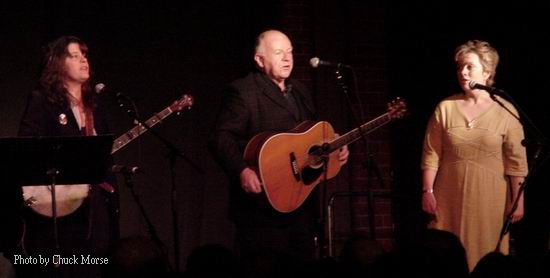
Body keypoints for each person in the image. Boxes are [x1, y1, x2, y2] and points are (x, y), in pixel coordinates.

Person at [209, 30, 349, 275]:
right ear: (260, 60)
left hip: (301, 203)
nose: (287, 58)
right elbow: (220, 138)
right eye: (278, 53)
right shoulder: (244, 91)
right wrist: (241, 170)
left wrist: (336, 144)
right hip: (261, 208)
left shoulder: (301, 92)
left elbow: (314, 135)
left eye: (290, 52)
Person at [13, 35, 118, 277]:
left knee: (96, 265)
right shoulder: (42, 101)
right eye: (75, 55)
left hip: (96, 205)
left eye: (85, 55)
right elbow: (26, 149)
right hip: (59, 208)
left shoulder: (96, 106)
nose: (84, 60)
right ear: (59, 64)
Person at [421, 40, 528, 270]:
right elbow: (431, 154)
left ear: (487, 71)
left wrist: (518, 202)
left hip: (490, 198)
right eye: (460, 67)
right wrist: (427, 190)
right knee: (444, 255)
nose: (462, 72)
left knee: (485, 254)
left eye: (469, 66)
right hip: (448, 196)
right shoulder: (445, 108)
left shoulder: (506, 111)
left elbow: (516, 162)